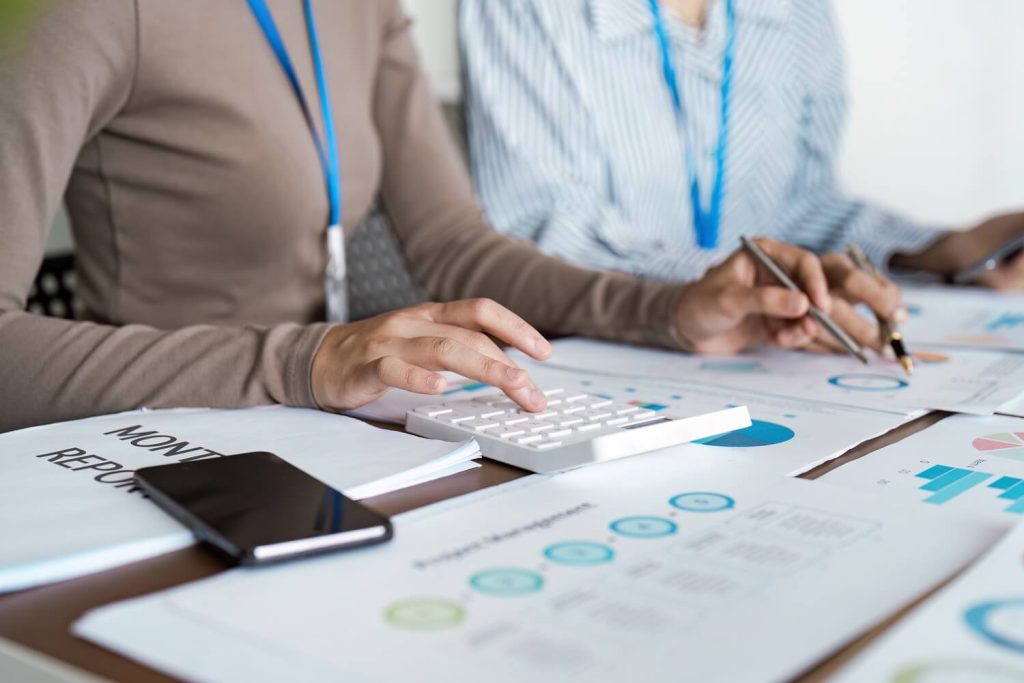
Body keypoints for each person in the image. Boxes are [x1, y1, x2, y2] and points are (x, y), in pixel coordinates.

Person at [0, 0, 898, 434]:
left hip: (334, 436)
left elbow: (456, 247)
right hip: (157, 441)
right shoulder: (83, 10)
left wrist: (666, 310)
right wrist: (310, 355)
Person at [460, 0, 1024, 287]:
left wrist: (928, 249)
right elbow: (537, 232)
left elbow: (802, 207)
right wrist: (749, 283)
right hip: (585, 365)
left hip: (765, 359)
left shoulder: (794, 11)